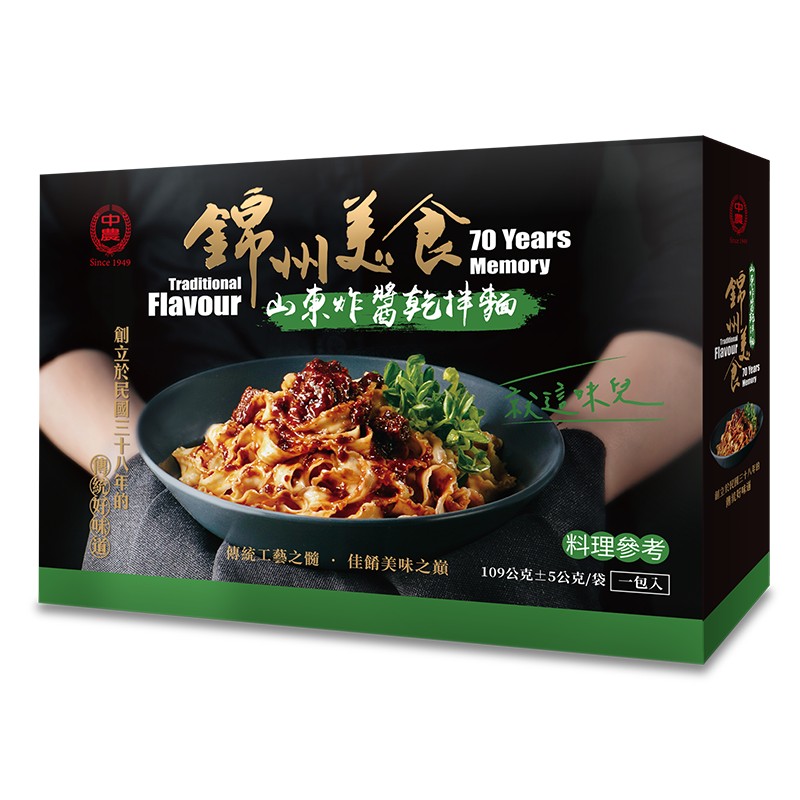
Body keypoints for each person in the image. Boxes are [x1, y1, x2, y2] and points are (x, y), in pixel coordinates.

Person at [40, 139, 703, 612]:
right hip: (190, 489)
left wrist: (567, 469)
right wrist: (146, 475)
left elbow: (706, 237)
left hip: (514, 473)